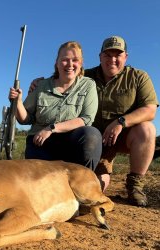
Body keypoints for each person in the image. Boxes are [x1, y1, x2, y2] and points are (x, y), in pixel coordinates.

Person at [29, 36, 159, 207]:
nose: (112, 59)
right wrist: (39, 83)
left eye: (117, 55)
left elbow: (150, 110)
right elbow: (63, 76)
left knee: (147, 129)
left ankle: (135, 184)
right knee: (95, 188)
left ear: (125, 57)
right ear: (100, 57)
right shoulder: (86, 76)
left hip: (122, 137)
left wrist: (120, 122)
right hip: (94, 142)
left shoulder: (138, 77)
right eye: (107, 55)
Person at [9, 41, 102, 171]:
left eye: (75, 60)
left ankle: (83, 180)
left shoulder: (88, 85)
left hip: (70, 143)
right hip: (39, 141)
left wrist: (51, 128)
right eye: (65, 60)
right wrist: (18, 102)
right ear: (57, 63)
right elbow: (25, 119)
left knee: (91, 134)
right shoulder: (41, 85)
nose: (70, 64)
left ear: (81, 64)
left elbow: (86, 119)